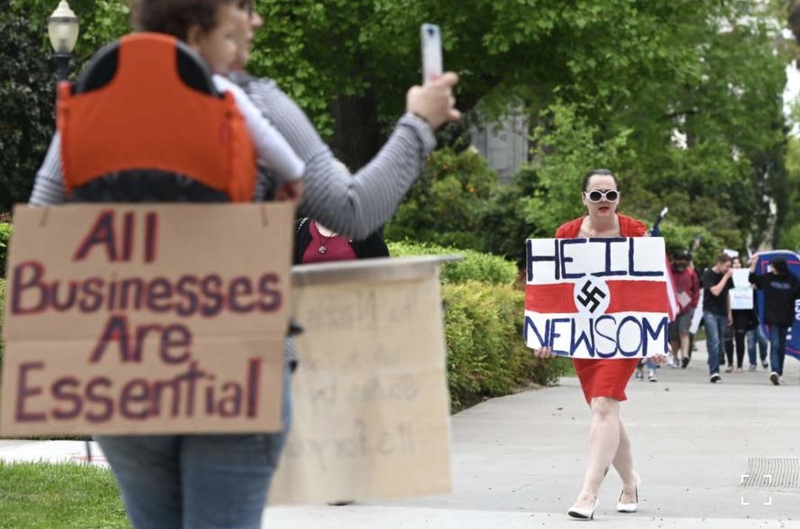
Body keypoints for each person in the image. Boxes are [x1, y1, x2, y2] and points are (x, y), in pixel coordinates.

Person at [29, 1, 461, 527]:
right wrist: (419, 122)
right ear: (197, 27)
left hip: (123, 367)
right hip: (234, 365)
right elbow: (354, 210)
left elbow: (45, 226)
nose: (254, 21)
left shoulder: (95, 105)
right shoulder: (253, 103)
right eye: (242, 7)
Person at [534, 168, 650, 520]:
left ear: (619, 198)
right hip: (585, 336)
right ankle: (630, 483)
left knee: (603, 405)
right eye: (596, 194)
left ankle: (589, 493)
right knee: (606, 411)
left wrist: (655, 336)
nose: (603, 201)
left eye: (610, 195)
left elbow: (650, 287)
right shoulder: (565, 235)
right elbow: (552, 291)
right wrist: (546, 334)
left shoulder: (636, 232)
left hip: (623, 334)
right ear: (584, 198)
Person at [748, 256, 800, 385]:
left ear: (778, 267)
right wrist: (753, 264)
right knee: (775, 344)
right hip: (772, 316)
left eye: (773, 266)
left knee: (781, 345)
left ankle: (779, 371)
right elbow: (753, 279)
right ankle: (775, 371)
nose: (771, 268)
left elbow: (798, 293)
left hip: (786, 316)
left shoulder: (792, 279)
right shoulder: (768, 278)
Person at [701, 253, 733, 383]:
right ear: (719, 263)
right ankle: (714, 372)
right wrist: (725, 277)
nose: (728, 269)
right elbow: (715, 291)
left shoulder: (727, 276)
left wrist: (729, 311)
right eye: (727, 266)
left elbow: (726, 294)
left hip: (722, 312)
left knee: (720, 343)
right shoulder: (708, 274)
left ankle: (715, 361)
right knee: (714, 341)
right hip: (710, 311)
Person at [667, 249, 700, 369]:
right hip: (672, 307)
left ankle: (685, 355)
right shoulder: (668, 272)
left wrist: (694, 304)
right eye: (678, 260)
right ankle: (674, 356)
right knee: (674, 334)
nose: (681, 263)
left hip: (687, 307)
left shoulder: (690, 273)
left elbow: (696, 290)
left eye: (683, 260)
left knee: (683, 330)